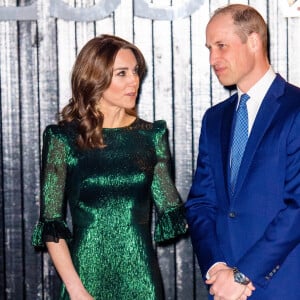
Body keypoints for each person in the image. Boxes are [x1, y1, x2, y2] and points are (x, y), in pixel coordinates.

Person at [32, 34, 187, 300]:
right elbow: (51, 225)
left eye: (136, 72)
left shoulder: (151, 137)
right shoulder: (62, 139)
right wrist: (76, 290)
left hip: (141, 282)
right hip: (84, 279)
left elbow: (171, 206)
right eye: (122, 73)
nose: (134, 81)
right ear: (96, 78)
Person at [185, 4, 300, 300]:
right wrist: (216, 267)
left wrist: (242, 274)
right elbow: (200, 203)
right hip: (223, 290)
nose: (213, 58)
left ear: (253, 41)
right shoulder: (214, 118)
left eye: (221, 46)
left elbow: (298, 207)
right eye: (210, 48)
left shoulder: (296, 109)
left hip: (283, 285)